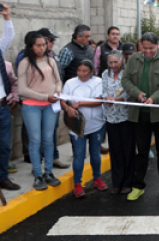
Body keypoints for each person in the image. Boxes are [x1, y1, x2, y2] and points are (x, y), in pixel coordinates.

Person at [122, 32, 159, 201]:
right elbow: (125, 80)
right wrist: (138, 94)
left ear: (157, 46)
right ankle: (138, 186)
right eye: (144, 48)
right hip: (140, 115)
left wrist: (154, 98)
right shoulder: (134, 60)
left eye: (151, 48)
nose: (147, 51)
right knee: (142, 151)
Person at [18, 32, 62, 190]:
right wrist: (46, 97)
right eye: (38, 45)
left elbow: (58, 81)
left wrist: (57, 91)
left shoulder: (50, 60)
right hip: (31, 106)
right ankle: (38, 175)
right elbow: (22, 89)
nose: (42, 48)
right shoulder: (25, 63)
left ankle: (48, 173)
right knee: (35, 141)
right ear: (31, 46)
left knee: (48, 140)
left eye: (44, 44)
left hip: (50, 106)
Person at [61, 60, 106, 198]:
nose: (81, 73)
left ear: (92, 71)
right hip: (76, 127)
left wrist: (79, 104)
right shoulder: (70, 83)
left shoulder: (98, 82)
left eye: (84, 71)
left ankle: (97, 179)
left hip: (96, 125)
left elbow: (99, 100)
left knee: (95, 153)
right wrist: (68, 108)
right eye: (79, 70)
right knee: (79, 155)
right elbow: (63, 100)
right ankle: (77, 184)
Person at [102, 50, 135, 195]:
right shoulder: (105, 74)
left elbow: (129, 93)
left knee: (128, 150)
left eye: (116, 62)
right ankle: (117, 182)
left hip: (126, 117)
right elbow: (103, 91)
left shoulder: (128, 74)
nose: (113, 65)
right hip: (110, 117)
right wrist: (106, 99)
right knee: (115, 151)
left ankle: (128, 182)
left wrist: (116, 100)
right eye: (111, 62)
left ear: (121, 61)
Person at [37, 27, 69, 169]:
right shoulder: (30, 57)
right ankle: (38, 163)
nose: (52, 43)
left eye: (53, 40)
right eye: (50, 40)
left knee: (53, 130)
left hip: (54, 100)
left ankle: (54, 158)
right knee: (39, 133)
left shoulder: (53, 55)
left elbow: (58, 77)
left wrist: (58, 91)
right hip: (39, 101)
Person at [0, 4, 16, 193]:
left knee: (4, 145)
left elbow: (8, 36)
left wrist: (7, 16)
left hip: (3, 107)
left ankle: (2, 178)